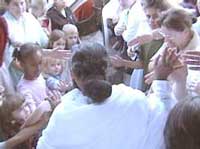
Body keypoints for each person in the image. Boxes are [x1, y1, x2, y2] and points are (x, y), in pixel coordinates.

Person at [36, 42, 177, 149]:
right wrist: (161, 80)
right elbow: (164, 119)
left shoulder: (63, 113)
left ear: (72, 74)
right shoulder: (132, 98)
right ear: (107, 68)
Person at [148, 8, 199, 99]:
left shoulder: (196, 56)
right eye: (164, 35)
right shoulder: (170, 43)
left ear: (186, 32)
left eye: (170, 36)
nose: (166, 40)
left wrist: (168, 74)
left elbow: (189, 94)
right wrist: (159, 70)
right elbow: (151, 65)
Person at [3, 0, 49, 86]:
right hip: (16, 75)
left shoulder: (29, 17)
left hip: (37, 71)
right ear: (7, 5)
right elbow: (8, 57)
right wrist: (28, 71)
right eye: (15, 4)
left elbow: (43, 42)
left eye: (22, 3)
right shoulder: (4, 23)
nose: (20, 8)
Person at [15, 43, 48, 113]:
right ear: (22, 64)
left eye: (40, 63)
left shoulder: (39, 76)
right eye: (33, 65)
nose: (38, 68)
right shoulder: (24, 89)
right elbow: (33, 113)